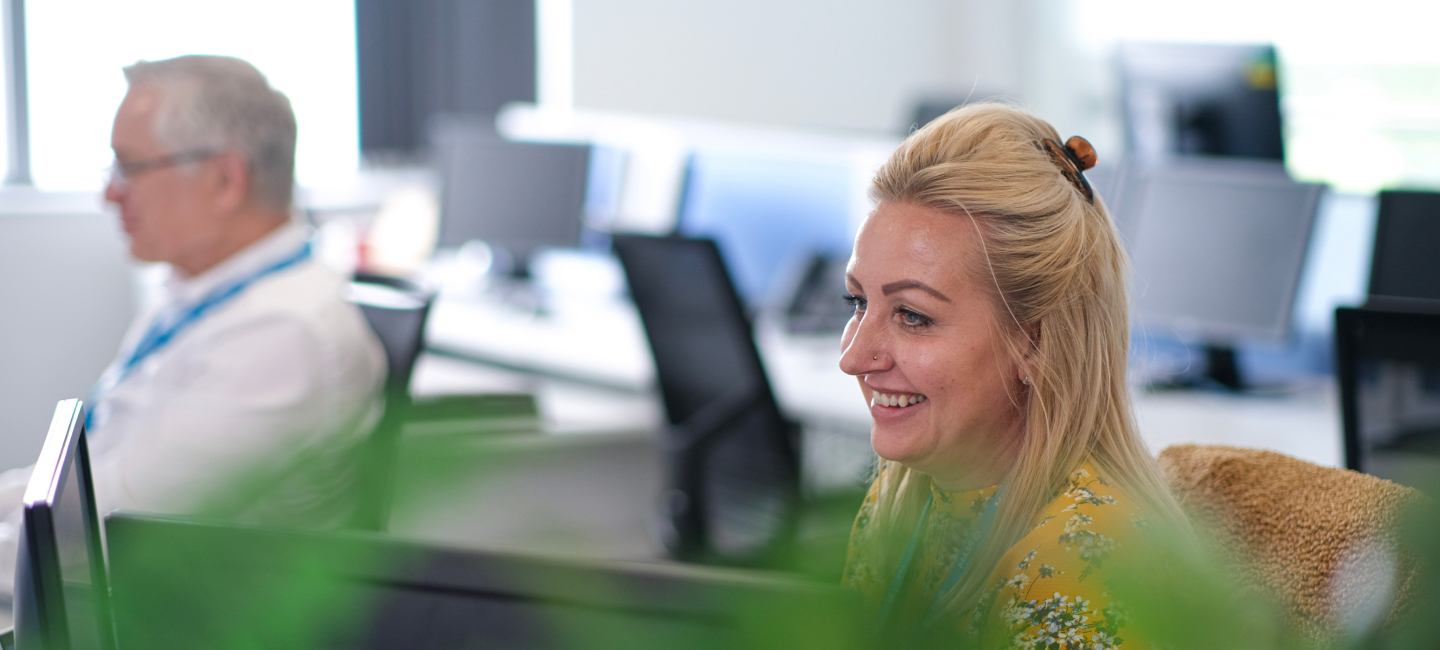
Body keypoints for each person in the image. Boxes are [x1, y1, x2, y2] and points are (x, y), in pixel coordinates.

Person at [0, 55, 386, 593]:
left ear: (225, 180)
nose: (110, 193)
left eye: (129, 167)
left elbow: (104, 537)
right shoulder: (200, 289)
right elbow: (84, 483)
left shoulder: (282, 335)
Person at [839, 103, 1191, 647]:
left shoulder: (1084, 564)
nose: (854, 358)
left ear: (1034, 342)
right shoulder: (901, 498)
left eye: (913, 315)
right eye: (857, 301)